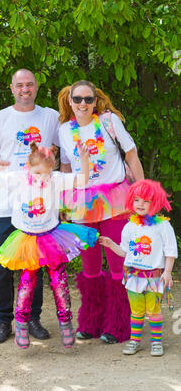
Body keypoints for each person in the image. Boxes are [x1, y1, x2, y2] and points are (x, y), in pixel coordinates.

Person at [0, 141, 99, 349]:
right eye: (38, 173)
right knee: (27, 281)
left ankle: (66, 323)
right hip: (27, 239)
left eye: (47, 173)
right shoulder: (19, 179)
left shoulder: (55, 180)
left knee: (59, 281)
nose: (43, 178)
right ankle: (21, 325)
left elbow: (82, 179)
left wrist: (84, 158)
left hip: (51, 236)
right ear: (29, 168)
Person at [58, 80, 144, 344]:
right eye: (78, 99)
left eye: (88, 99)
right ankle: (91, 322)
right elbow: (65, 168)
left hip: (115, 198)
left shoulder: (109, 122)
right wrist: (63, 203)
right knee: (90, 266)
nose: (83, 104)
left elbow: (131, 155)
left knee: (118, 263)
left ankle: (119, 325)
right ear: (69, 101)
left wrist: (141, 192)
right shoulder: (64, 130)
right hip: (82, 202)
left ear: (95, 102)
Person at [0, 69, 60, 344]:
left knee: (33, 266)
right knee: (1, 266)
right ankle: (2, 321)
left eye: (30, 85)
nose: (25, 89)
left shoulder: (50, 117)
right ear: (12, 88)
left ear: (37, 87)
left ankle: (32, 318)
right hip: (4, 206)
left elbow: (68, 153)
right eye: (20, 85)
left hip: (38, 207)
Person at [99, 179, 178, 356]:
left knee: (153, 311)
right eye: (137, 200)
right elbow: (125, 252)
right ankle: (135, 341)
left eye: (146, 200)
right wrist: (112, 245)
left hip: (154, 278)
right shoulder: (129, 226)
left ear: (155, 202)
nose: (140, 204)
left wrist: (167, 272)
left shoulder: (163, 226)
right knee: (136, 311)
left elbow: (170, 251)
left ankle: (156, 343)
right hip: (133, 278)